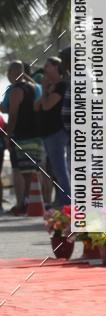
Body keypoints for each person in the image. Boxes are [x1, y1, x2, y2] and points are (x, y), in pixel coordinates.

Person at [4, 61, 44, 214]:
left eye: (8, 72)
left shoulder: (16, 91)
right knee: (34, 171)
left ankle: (25, 204)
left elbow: (13, 116)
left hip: (22, 135)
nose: (7, 76)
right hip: (36, 135)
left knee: (25, 173)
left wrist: (8, 135)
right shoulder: (35, 88)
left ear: (13, 73)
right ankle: (33, 202)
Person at [33, 57, 70, 207]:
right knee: (55, 168)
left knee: (60, 168)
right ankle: (61, 199)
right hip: (47, 133)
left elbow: (47, 106)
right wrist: (44, 90)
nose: (45, 70)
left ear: (56, 68)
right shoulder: (50, 87)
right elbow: (36, 107)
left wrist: (45, 93)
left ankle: (67, 201)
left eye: (48, 66)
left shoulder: (61, 86)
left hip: (56, 132)